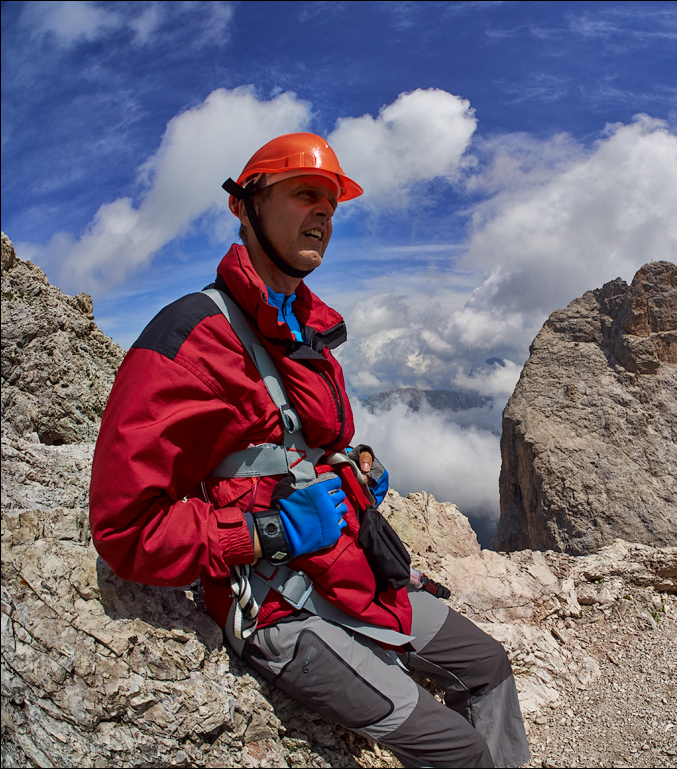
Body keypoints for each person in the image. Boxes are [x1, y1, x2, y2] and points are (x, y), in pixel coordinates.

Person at [89, 132, 530, 768]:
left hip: (350, 569)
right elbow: (125, 529)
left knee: (489, 666)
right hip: (277, 606)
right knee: (458, 752)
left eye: (331, 201)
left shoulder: (306, 329)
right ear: (245, 206)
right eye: (304, 195)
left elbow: (303, 447)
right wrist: (265, 531)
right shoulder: (190, 340)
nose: (323, 213)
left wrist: (353, 470)